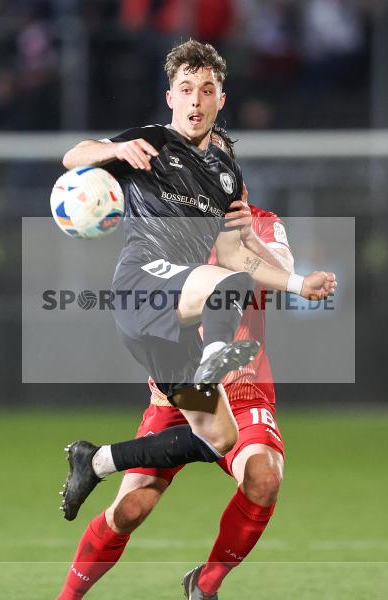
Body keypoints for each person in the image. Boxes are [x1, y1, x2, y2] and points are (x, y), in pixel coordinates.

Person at [57, 40, 335, 525]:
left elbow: (235, 256)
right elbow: (73, 156)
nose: (196, 100)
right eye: (186, 89)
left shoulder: (226, 175)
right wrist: (115, 148)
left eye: (207, 90)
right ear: (171, 97)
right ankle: (214, 359)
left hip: (179, 314)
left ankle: (95, 460)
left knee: (217, 438)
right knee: (226, 286)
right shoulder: (150, 142)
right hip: (142, 283)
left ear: (220, 100)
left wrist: (297, 283)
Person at [57, 136, 290, 600]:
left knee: (263, 475)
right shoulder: (172, 224)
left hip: (243, 389)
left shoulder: (260, 222)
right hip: (177, 393)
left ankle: (205, 585)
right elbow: (76, 157)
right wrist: (113, 154)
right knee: (130, 510)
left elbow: (284, 270)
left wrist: (245, 240)